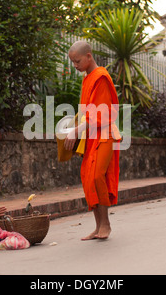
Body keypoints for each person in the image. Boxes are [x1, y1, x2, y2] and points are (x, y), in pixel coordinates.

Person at [64, 40, 121, 240]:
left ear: (89, 56)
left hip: (104, 134)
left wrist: (77, 130)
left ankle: (106, 224)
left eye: (77, 61)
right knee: (89, 178)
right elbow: (87, 113)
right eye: (73, 62)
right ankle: (98, 227)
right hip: (91, 135)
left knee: (98, 176)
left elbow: (102, 114)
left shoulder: (101, 77)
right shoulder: (87, 79)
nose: (75, 66)